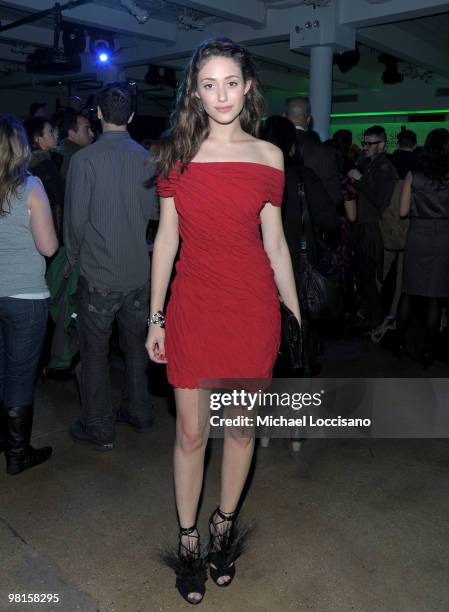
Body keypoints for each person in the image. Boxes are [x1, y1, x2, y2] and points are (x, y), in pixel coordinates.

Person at [145, 38, 300, 605]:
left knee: (239, 430)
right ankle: (188, 539)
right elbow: (165, 241)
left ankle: (222, 529)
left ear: (248, 85)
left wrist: (296, 313)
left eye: (231, 82)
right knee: (191, 433)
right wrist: (156, 316)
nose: (221, 94)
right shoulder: (174, 155)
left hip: (252, 308)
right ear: (194, 92)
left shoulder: (269, 157)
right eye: (208, 84)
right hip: (193, 307)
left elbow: (276, 244)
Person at [64, 82, 157, 451]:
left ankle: (99, 427)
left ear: (98, 115)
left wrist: (72, 261)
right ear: (131, 116)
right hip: (138, 273)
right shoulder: (148, 158)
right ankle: (141, 412)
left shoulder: (84, 160)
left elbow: (75, 221)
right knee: (135, 346)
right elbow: (155, 212)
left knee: (95, 352)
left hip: (99, 274)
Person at [0, 113, 58, 474]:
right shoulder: (31, 187)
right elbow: (49, 247)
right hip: (26, 299)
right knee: (20, 376)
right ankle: (18, 456)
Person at [262, 115, 338, 375]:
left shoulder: (252, 175)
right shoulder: (303, 177)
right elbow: (329, 221)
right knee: (297, 318)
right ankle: (296, 367)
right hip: (298, 260)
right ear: (292, 145)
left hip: (257, 262)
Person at [397, 128, 449, 363]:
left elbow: (403, 211)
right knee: (435, 296)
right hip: (443, 238)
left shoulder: (413, 175)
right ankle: (429, 348)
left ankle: (400, 343)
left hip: (417, 235)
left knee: (407, 291)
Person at [349, 125, 398, 332]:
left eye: (371, 143)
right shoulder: (371, 163)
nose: (366, 147)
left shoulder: (385, 167)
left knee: (368, 278)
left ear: (383, 144)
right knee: (363, 276)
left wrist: (360, 180)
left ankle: (376, 321)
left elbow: (380, 200)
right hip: (364, 226)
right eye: (365, 142)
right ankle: (371, 318)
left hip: (372, 229)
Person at [285, 96, 342, 208]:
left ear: (284, 117)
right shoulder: (325, 152)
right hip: (313, 219)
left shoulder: (273, 148)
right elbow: (335, 197)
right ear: (308, 120)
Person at [23, 116, 65, 240]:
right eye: (50, 132)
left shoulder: (25, 162)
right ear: (38, 138)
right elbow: (59, 198)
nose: (55, 135)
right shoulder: (45, 164)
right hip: (49, 229)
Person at [56, 109, 94, 185]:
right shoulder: (79, 157)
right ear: (72, 133)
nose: (92, 134)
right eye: (87, 129)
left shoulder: (58, 150)